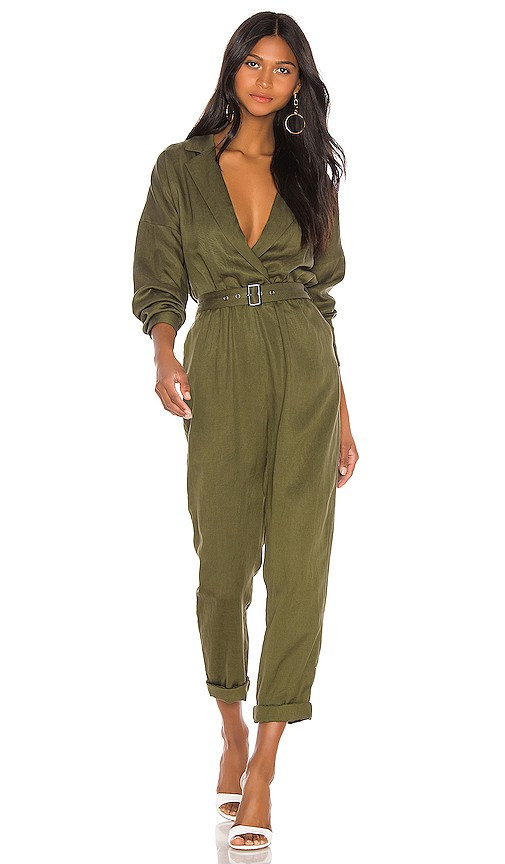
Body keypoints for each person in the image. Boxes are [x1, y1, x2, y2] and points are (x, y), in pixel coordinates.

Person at [132, 11, 359, 851]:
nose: (266, 80)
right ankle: (228, 724)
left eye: (283, 68)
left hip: (304, 366)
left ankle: (263, 765)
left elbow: (321, 297)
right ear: (231, 70)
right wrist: (164, 351)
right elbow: (159, 278)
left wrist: (342, 412)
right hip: (221, 353)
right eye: (253, 63)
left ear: (300, 84)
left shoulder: (311, 173)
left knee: (299, 565)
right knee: (223, 562)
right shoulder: (181, 167)